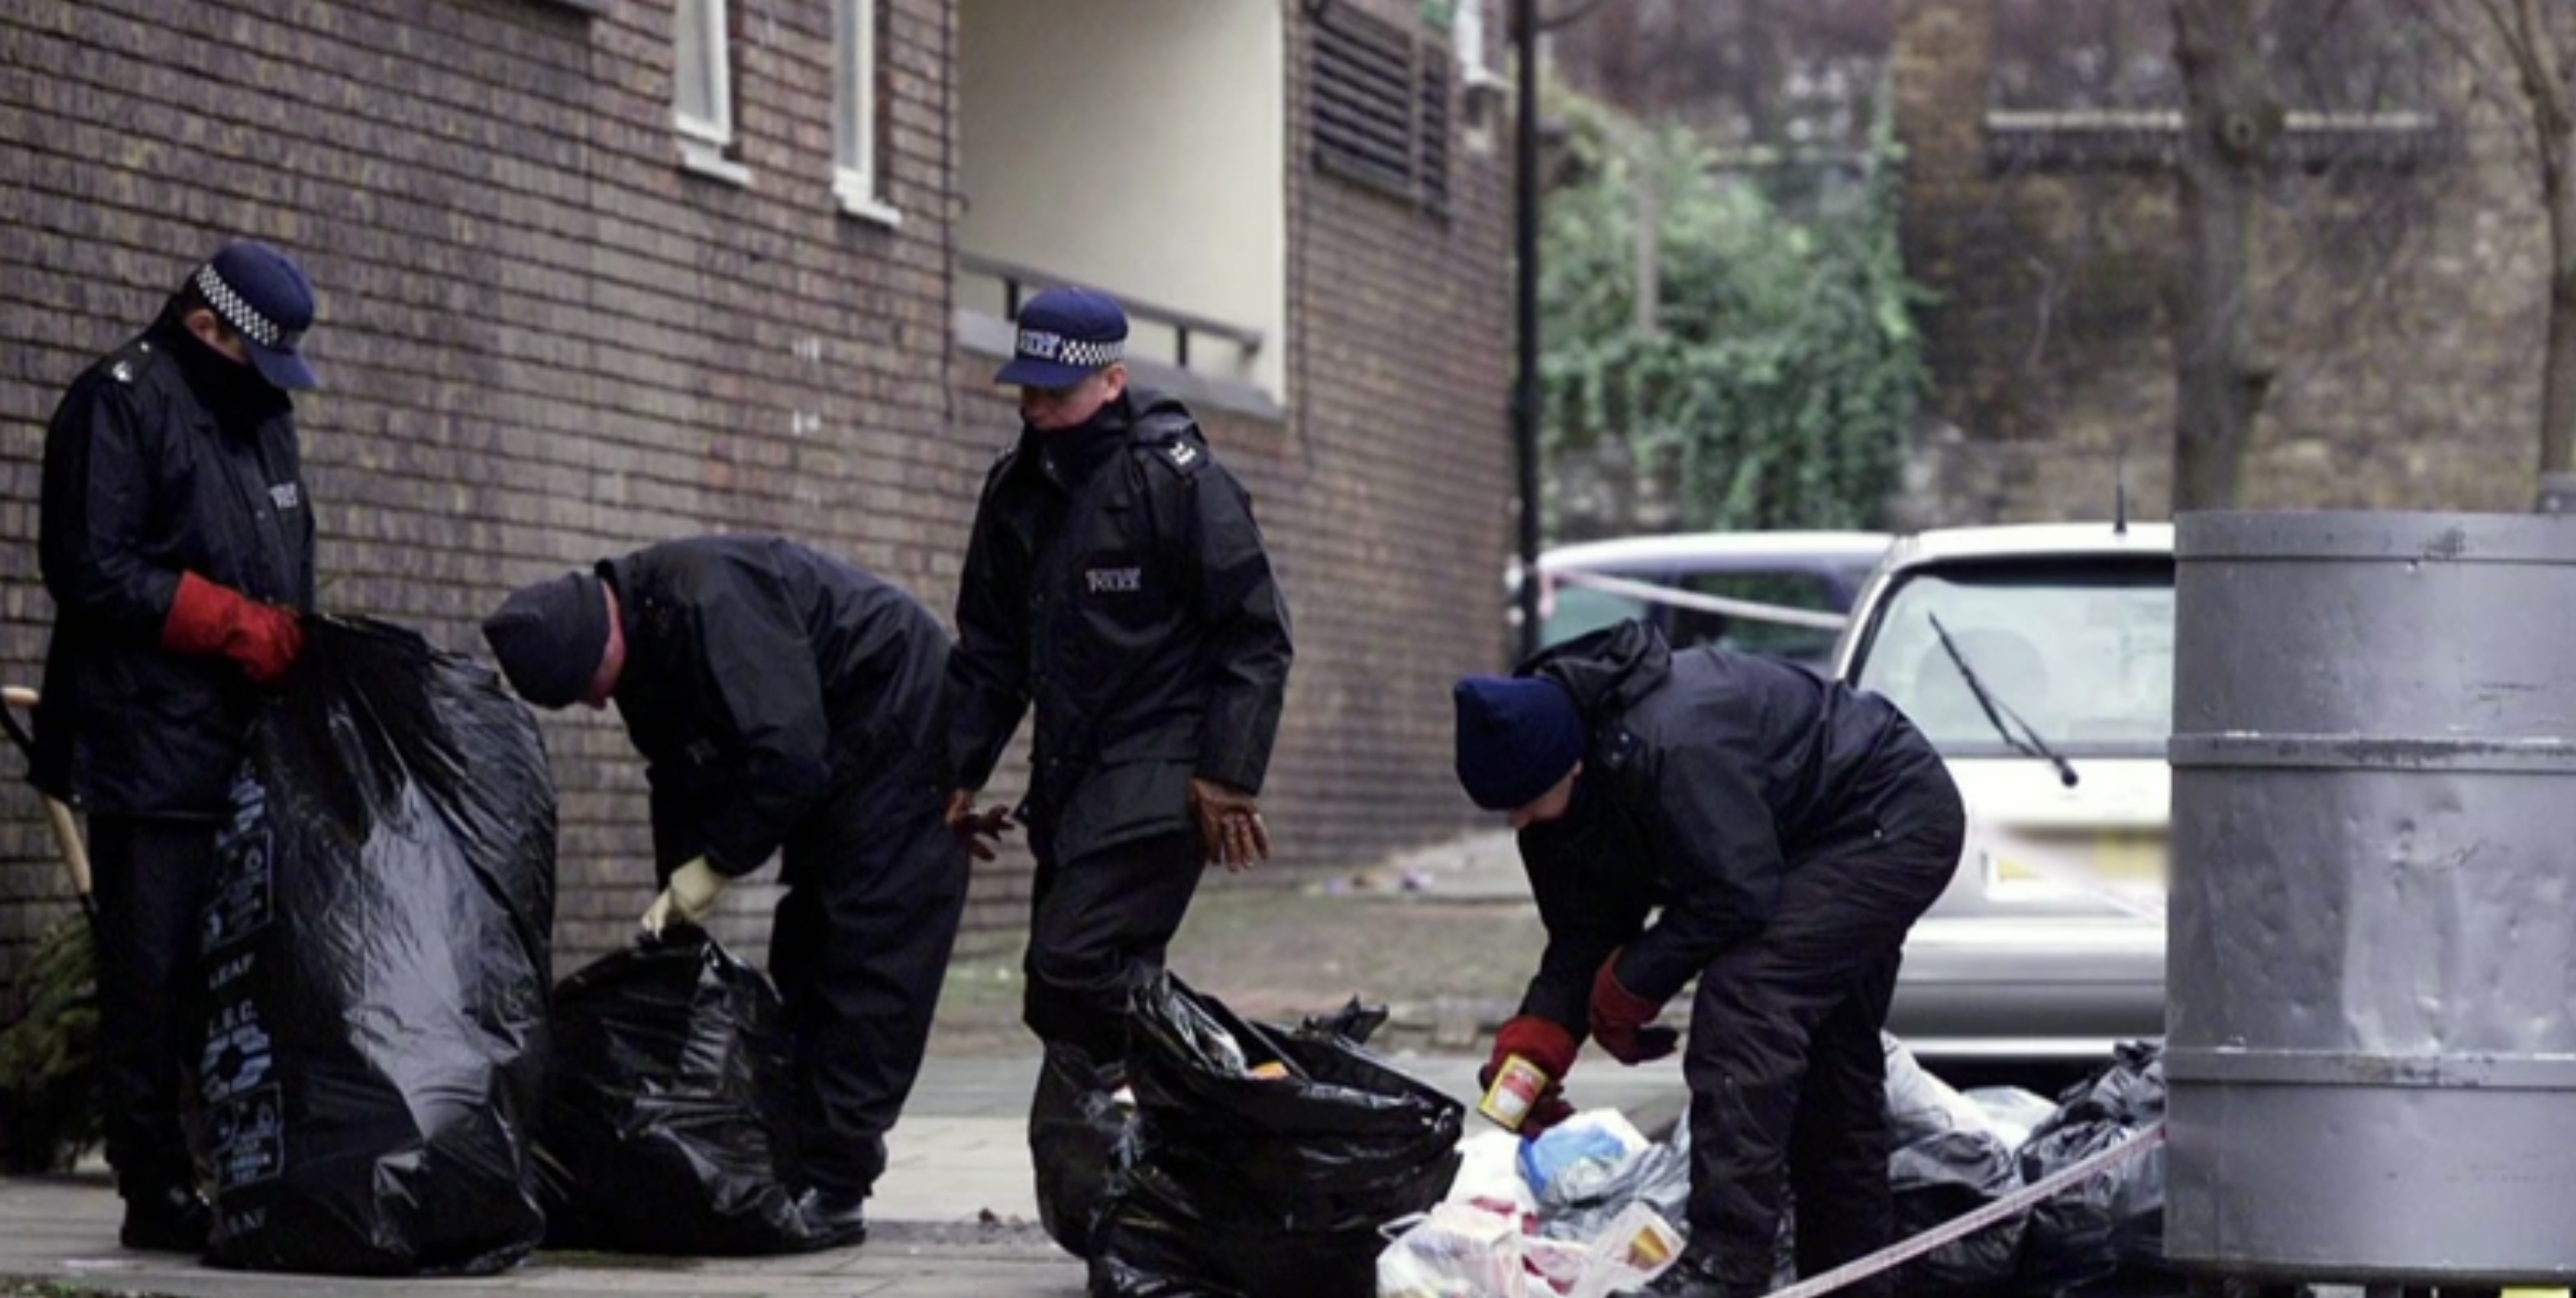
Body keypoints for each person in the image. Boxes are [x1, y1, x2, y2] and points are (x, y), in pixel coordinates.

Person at [1451, 619, 1964, 1298]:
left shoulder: (1673, 740)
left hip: (1885, 816)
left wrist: (1632, 985)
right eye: (1504, 811)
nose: (1518, 822)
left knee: (1748, 999)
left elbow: (1735, 895)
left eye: (1523, 803)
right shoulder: (1558, 797)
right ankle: (1850, 1279)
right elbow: (1583, 932)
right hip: (1799, 843)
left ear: (1569, 761)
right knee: (1831, 1066)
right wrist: (1539, 1041)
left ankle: (1726, 1267)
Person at [481, 535, 968, 1250]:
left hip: (904, 731)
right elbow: (680, 778)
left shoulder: (712, 605)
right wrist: (674, 911)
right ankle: (803, 1159)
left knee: (865, 950)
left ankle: (834, 1186)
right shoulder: (643, 651)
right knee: (804, 945)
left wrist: (713, 867)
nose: (593, 705)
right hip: (842, 753)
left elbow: (788, 757)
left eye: (587, 685)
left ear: (596, 637)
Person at [32, 240, 322, 1252]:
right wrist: (231, 625)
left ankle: (236, 1166)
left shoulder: (263, 421)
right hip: (146, 745)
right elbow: (90, 566)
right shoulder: (118, 404)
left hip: (246, 749)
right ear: (209, 328)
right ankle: (155, 1188)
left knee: (234, 971)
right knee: (151, 976)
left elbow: (293, 560)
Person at [943, 286, 1293, 1072]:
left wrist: (1229, 774)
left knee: (1068, 968)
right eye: (1026, 389)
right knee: (1073, 1000)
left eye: (1055, 393)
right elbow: (991, 648)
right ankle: (1162, 1141)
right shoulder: (1014, 491)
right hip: (1071, 777)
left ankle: (1225, 1077)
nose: (1035, 408)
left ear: (1112, 381)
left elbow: (1255, 634)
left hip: (1164, 769)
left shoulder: (1175, 481)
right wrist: (956, 770)